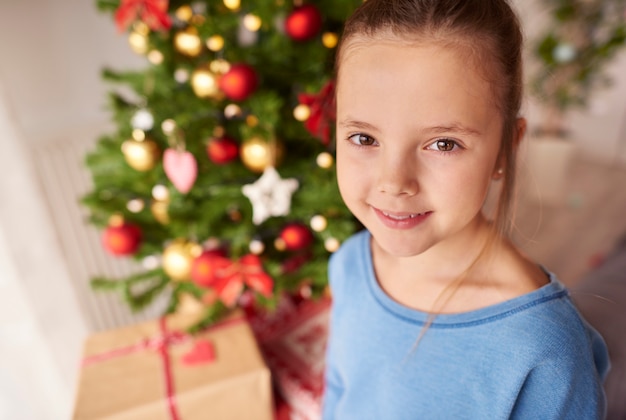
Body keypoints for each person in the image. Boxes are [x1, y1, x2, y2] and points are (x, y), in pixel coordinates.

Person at [323, 0, 610, 418]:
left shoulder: (544, 348)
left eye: (444, 144)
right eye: (364, 138)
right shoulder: (350, 266)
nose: (393, 182)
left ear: (505, 148)